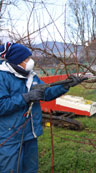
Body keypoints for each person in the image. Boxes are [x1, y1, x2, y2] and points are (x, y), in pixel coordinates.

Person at [0, 42, 81, 173]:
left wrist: (66, 85)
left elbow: (46, 92)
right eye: (26, 59)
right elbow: (1, 106)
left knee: (30, 169)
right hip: (10, 135)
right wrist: (26, 97)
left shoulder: (31, 75)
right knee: (10, 170)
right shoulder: (2, 77)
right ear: (16, 60)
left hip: (30, 133)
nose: (30, 61)